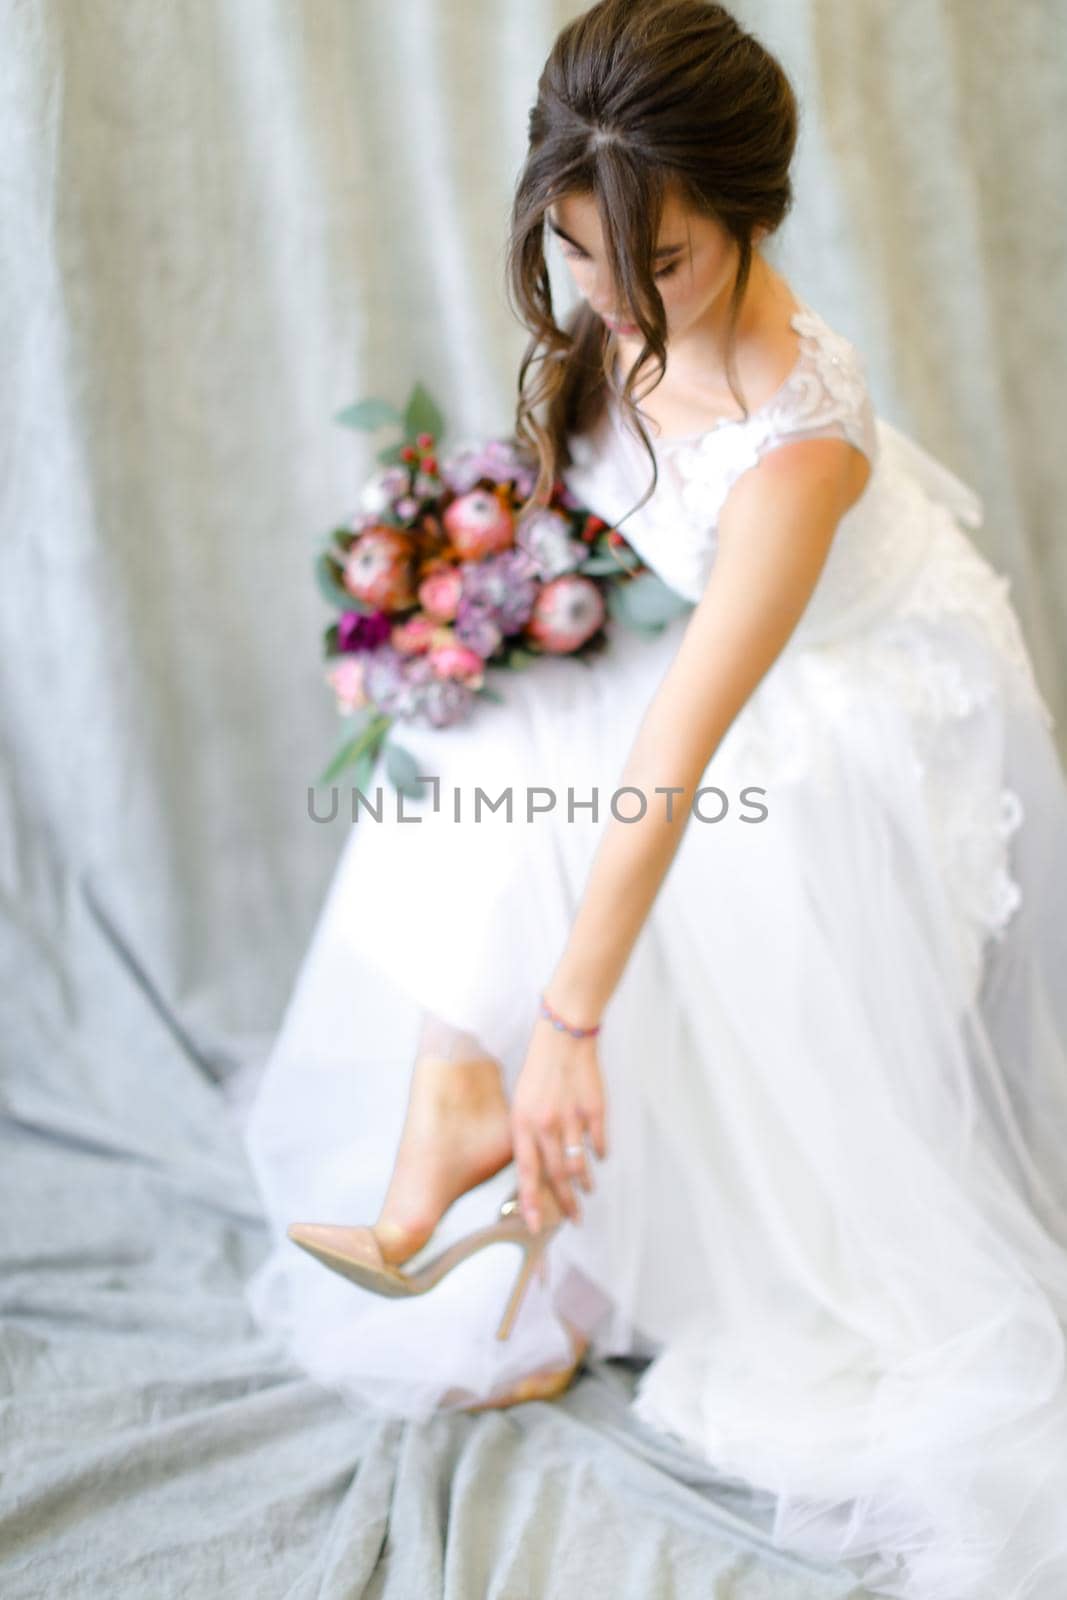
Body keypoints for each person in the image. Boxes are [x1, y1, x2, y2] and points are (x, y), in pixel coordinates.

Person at [241, 2, 1067, 1594]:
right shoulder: (622, 309)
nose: (616, 308)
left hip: (852, 719)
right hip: (716, 675)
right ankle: (453, 1088)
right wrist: (470, 579)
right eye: (580, 258)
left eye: (661, 265)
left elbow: (686, 740)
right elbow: (614, 538)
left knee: (569, 799)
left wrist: (570, 1020)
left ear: (753, 211)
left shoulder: (798, 447)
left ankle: (489, 1092)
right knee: (486, 743)